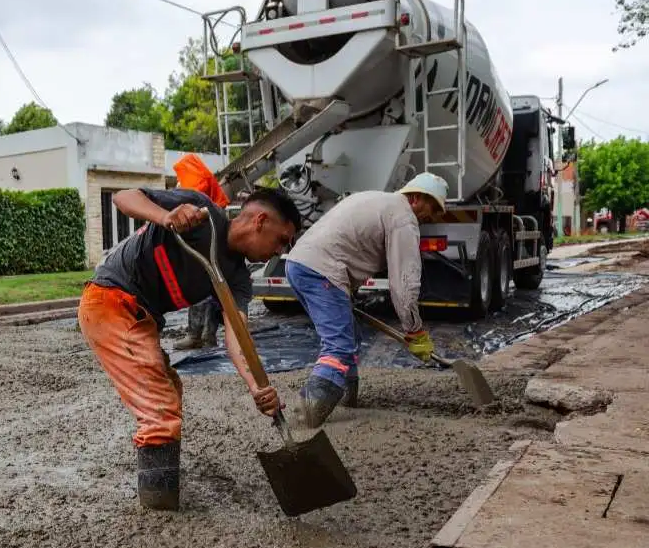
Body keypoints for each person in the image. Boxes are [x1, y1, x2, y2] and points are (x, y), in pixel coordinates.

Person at [79, 185, 303, 511]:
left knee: (169, 386)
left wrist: (258, 388)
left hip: (139, 314)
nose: (279, 251)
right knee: (159, 406)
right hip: (110, 300)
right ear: (260, 221)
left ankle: (160, 485)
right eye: (281, 240)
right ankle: (160, 510)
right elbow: (124, 197)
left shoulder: (238, 278)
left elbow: (237, 335)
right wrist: (166, 216)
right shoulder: (201, 213)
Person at [284, 172, 448, 429]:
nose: (433, 217)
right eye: (433, 208)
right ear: (416, 198)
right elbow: (404, 283)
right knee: (338, 345)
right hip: (323, 269)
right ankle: (307, 413)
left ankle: (348, 400)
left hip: (299, 264)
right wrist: (414, 330)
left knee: (349, 336)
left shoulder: (376, 199)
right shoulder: (403, 217)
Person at [169, 154, 227, 352]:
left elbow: (188, 204)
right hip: (212, 233)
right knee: (212, 289)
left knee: (200, 286)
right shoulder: (202, 178)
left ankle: (196, 336)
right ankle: (208, 335)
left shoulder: (194, 180)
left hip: (203, 236)